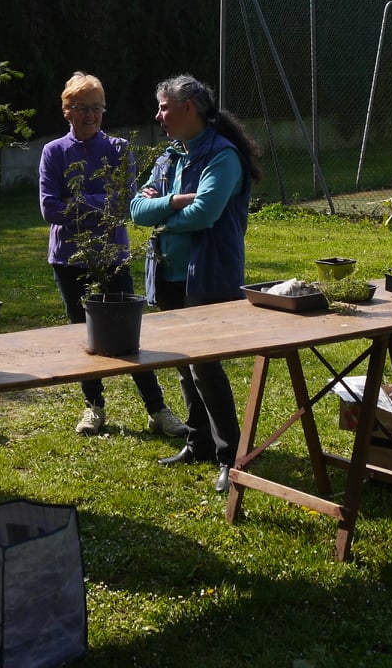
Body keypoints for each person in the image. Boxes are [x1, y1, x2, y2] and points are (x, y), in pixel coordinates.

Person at [130, 75, 260, 495]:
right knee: (183, 362)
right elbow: (136, 208)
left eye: (165, 107)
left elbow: (205, 214)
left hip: (208, 275)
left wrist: (162, 214)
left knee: (205, 366)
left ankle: (230, 455)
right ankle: (198, 441)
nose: (159, 115)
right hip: (168, 275)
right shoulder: (171, 156)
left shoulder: (223, 157)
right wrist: (169, 202)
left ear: (189, 109)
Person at [39, 71, 186, 439]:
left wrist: (81, 201)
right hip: (69, 258)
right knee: (84, 335)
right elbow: (49, 209)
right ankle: (94, 407)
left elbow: (126, 204)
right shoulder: (53, 152)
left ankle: (157, 409)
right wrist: (98, 204)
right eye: (82, 108)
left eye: (97, 109)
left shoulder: (119, 149)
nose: (90, 116)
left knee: (128, 337)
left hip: (111, 254)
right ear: (66, 111)